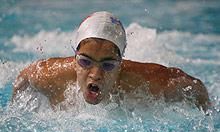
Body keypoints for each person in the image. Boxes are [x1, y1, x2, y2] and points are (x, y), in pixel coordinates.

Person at [11, 11, 210, 112]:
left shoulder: (149, 81)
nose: (96, 74)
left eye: (108, 65)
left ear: (121, 64)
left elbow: (195, 87)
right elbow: (24, 78)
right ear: (74, 57)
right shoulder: (50, 75)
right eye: (85, 62)